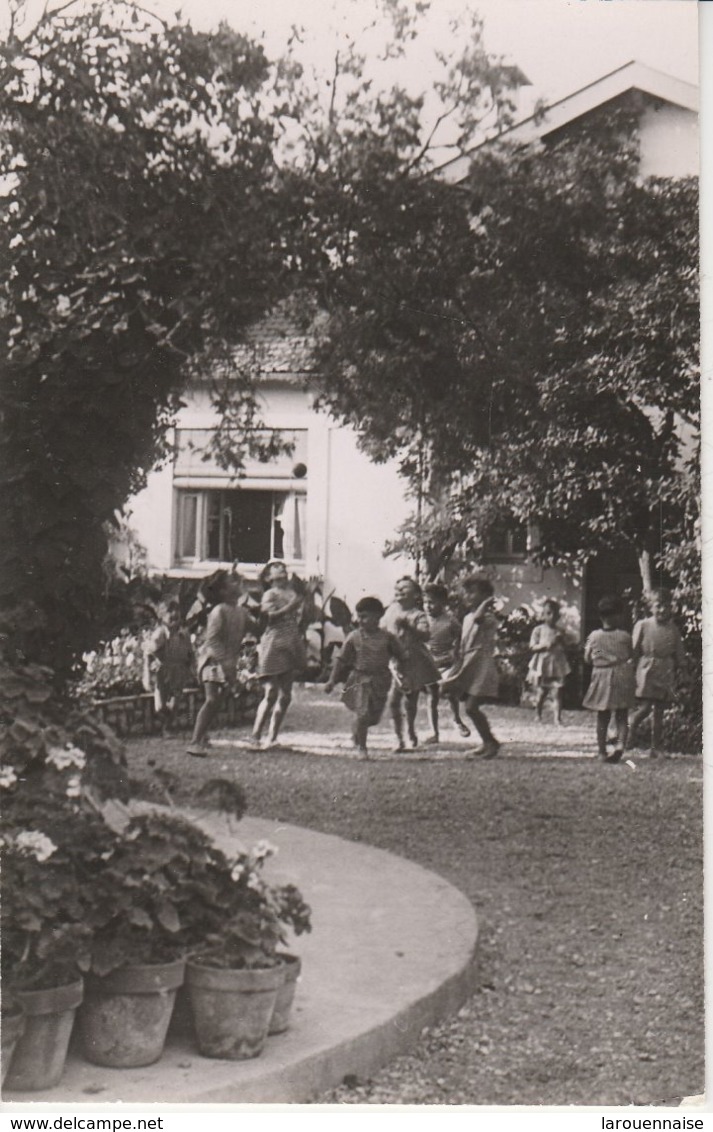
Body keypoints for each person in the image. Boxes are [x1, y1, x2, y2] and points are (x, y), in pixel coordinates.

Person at [325, 596, 407, 755]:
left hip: (381, 680)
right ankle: (362, 748)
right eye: (359, 616)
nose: (360, 620)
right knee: (362, 713)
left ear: (378, 616)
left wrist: (404, 675)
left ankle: (356, 730)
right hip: (360, 679)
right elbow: (341, 660)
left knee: (374, 718)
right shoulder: (354, 637)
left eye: (365, 616)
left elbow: (402, 656)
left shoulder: (387, 637)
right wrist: (332, 680)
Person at [187, 572, 250, 758]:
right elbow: (212, 641)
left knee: (218, 701)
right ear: (223, 591)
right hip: (213, 661)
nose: (238, 583)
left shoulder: (240, 612)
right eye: (232, 581)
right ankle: (194, 741)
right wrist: (227, 666)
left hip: (226, 662)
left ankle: (203, 736)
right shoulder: (219, 611)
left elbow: (255, 628)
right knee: (212, 700)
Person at [440, 576, 501, 759]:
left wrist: (487, 604)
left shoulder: (488, 618)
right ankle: (488, 742)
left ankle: (491, 743)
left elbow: (479, 618)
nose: (467, 596)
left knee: (471, 707)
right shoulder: (467, 617)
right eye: (466, 592)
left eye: (472, 592)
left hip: (481, 665)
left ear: (486, 596)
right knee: (464, 703)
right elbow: (465, 637)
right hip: (469, 663)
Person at [381, 577, 441, 751]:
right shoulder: (391, 610)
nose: (399, 591)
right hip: (395, 661)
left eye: (405, 589)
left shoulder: (418, 614)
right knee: (393, 702)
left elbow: (425, 635)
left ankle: (410, 731)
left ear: (416, 595)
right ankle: (399, 737)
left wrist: (409, 627)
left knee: (409, 700)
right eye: (397, 588)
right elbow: (382, 628)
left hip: (412, 662)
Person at [251, 560, 306, 749]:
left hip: (291, 641)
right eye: (277, 569)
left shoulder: (292, 594)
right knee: (271, 691)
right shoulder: (270, 594)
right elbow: (269, 618)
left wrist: (304, 596)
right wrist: (293, 605)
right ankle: (256, 735)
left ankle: (272, 737)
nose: (282, 571)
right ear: (269, 577)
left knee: (286, 694)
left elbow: (303, 616)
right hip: (274, 642)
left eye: (283, 568)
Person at [629, 589, 686, 758]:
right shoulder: (643, 625)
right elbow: (634, 649)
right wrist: (630, 668)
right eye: (658, 606)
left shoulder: (673, 629)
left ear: (671, 608)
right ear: (651, 607)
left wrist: (682, 668)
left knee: (660, 710)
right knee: (645, 707)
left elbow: (679, 651)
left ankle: (656, 747)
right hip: (647, 668)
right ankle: (629, 730)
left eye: (666, 606)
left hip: (665, 669)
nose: (662, 610)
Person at [582, 595, 636, 763]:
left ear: (601, 616)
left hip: (601, 675)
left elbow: (587, 658)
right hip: (621, 674)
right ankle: (620, 746)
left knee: (602, 715)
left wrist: (600, 659)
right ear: (619, 616)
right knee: (622, 714)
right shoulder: (625, 636)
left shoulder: (594, 636)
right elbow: (631, 654)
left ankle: (601, 751)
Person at [423, 583, 470, 744]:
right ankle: (434, 732)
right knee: (432, 696)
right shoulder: (422, 619)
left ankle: (457, 720)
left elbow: (461, 636)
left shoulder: (450, 620)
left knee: (448, 691)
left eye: (432, 602)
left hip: (447, 663)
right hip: (429, 663)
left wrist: (455, 650)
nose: (428, 606)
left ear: (443, 603)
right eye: (426, 602)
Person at [144, 600, 195, 734]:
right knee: (160, 707)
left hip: (179, 671)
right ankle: (168, 721)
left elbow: (190, 654)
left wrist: (193, 670)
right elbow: (148, 654)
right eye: (169, 612)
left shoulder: (184, 635)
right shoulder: (160, 634)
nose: (174, 614)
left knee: (175, 702)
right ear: (162, 617)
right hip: (163, 672)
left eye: (176, 611)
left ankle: (168, 727)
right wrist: (147, 674)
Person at [526, 599, 571, 726]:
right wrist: (546, 645)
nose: (551, 617)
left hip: (556, 664)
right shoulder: (538, 630)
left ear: (558, 616)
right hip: (543, 664)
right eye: (548, 613)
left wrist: (562, 641)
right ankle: (538, 715)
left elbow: (566, 647)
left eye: (555, 614)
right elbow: (532, 647)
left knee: (557, 692)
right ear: (543, 615)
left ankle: (557, 718)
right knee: (541, 692)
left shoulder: (560, 631)